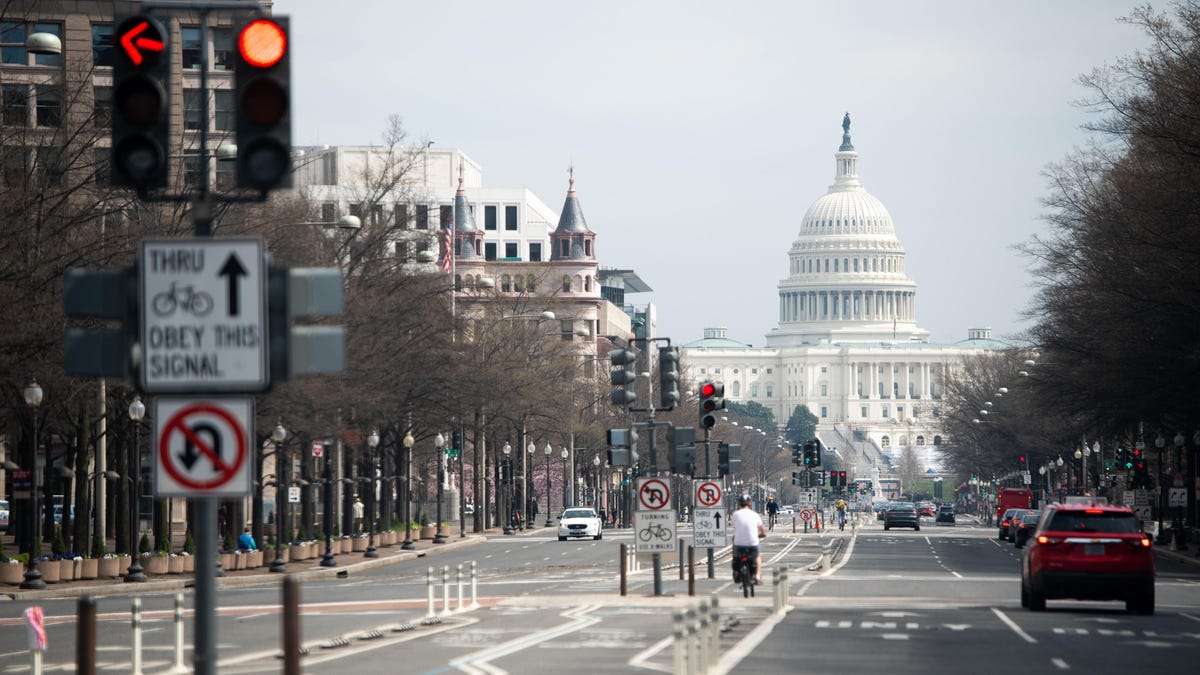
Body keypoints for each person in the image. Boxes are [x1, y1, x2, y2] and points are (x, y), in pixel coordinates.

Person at [731, 494, 765, 584]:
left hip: (739, 543)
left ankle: (737, 572)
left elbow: (734, 526)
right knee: (757, 557)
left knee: (736, 557)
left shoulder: (735, 514)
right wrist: (762, 534)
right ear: (750, 503)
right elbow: (762, 529)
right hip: (752, 543)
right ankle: (757, 577)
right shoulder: (754, 514)